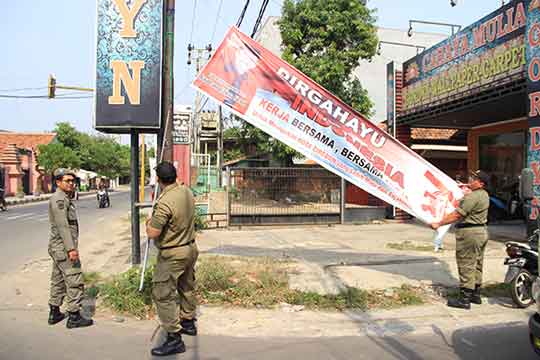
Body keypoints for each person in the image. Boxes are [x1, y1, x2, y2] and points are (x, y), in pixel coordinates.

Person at [145, 161, 198, 356]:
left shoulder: (165, 201)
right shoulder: (186, 191)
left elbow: (153, 232)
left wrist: (148, 223)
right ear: (175, 176)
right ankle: (188, 321)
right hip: (190, 248)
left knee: (163, 294)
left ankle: (174, 338)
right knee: (187, 286)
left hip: (173, 253)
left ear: (158, 179)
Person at [430, 170, 490, 310]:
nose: (470, 179)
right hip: (481, 231)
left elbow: (457, 215)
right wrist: (465, 189)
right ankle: (475, 294)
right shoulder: (483, 195)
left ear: (481, 183)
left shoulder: (472, 197)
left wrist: (438, 224)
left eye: (474, 178)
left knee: (466, 263)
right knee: (477, 263)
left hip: (470, 233)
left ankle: (464, 300)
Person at [47, 168, 93, 328]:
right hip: (63, 247)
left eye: (73, 181)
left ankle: (54, 311)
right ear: (58, 182)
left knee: (58, 279)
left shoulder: (64, 198)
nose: (71, 184)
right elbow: (63, 226)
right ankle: (74, 316)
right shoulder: (59, 199)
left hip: (58, 248)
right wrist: (71, 249)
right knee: (74, 279)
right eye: (67, 181)